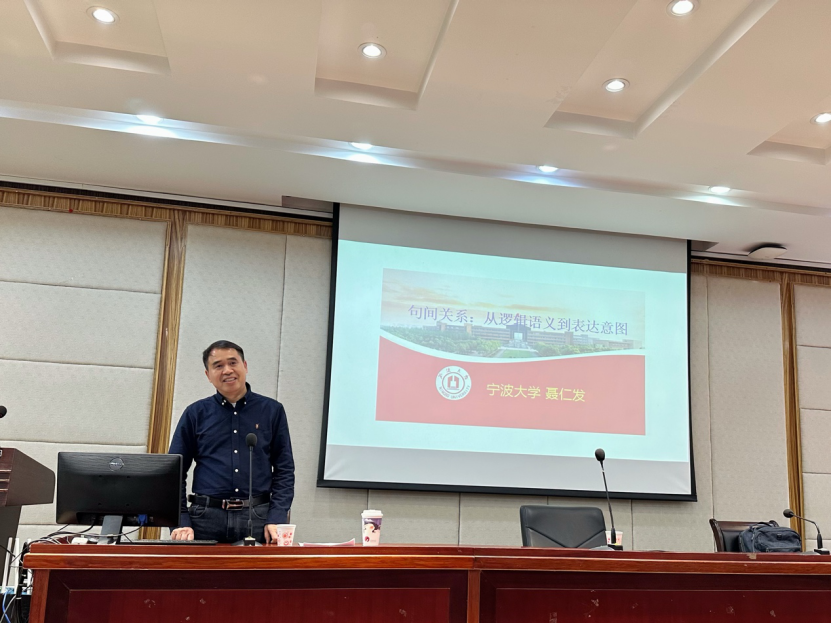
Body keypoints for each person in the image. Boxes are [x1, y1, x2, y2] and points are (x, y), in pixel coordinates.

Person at [168, 340, 294, 543]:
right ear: (208, 375)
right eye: (218, 365)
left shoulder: (272, 411)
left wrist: (277, 517)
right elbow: (174, 472)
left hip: (258, 517)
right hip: (205, 518)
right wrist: (181, 521)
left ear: (245, 366)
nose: (227, 370)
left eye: (233, 363)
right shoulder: (195, 413)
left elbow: (284, 469)